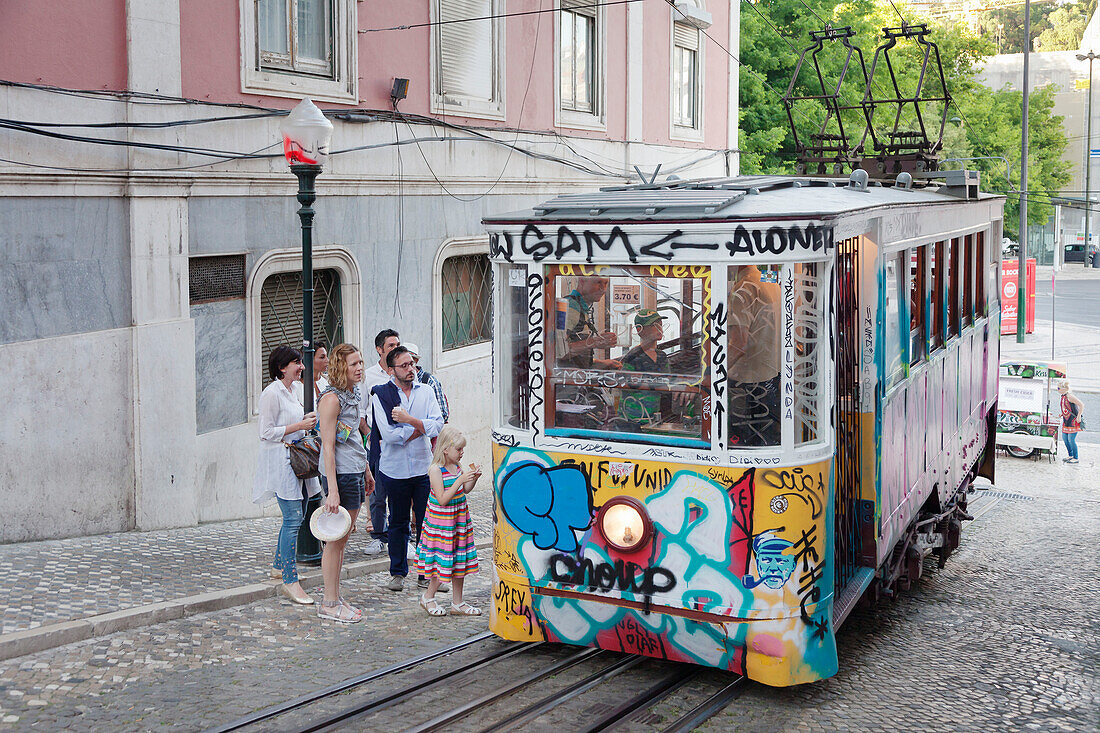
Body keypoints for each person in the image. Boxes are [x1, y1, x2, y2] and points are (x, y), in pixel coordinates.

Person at [371, 346, 445, 592]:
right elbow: (389, 435)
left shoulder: (426, 391)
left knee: (427, 522)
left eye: (412, 364)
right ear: (392, 370)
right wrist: (420, 429)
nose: (411, 369)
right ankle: (398, 572)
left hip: (424, 467)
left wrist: (411, 422)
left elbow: (438, 424)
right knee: (399, 522)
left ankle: (426, 575)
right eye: (404, 366)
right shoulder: (381, 395)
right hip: (395, 469)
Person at [252, 345, 320, 606]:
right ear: (282, 367)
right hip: (281, 461)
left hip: (298, 460)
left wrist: (306, 421)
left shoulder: (294, 391)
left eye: (300, 362)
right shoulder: (272, 393)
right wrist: (299, 425)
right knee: (293, 519)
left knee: (297, 515)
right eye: (296, 362)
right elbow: (266, 432)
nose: (301, 366)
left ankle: (279, 566)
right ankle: (290, 580)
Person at [316, 343, 376, 623]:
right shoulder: (331, 400)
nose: (360, 368)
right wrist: (333, 491)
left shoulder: (352, 394)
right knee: (335, 540)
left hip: (353, 470)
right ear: (341, 367)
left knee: (344, 538)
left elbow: (351, 439)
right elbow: (328, 447)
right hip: (338, 475)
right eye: (353, 364)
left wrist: (365, 470)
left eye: (361, 362)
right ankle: (329, 602)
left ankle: (336, 597)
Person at [416, 426, 481, 616]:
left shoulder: (457, 467)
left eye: (462, 450)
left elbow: (465, 490)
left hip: (459, 521)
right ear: (445, 449)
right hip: (442, 525)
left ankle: (457, 603)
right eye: (459, 450)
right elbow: (442, 499)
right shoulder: (435, 470)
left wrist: (473, 479)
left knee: (459, 561)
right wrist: (460, 481)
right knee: (442, 562)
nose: (462, 453)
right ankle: (428, 597)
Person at [727, 265, 782, 447]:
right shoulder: (771, 279)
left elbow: (738, 344)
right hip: (772, 377)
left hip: (747, 384)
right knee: (767, 443)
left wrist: (712, 374)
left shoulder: (743, 287)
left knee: (743, 447)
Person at [361, 329, 401, 555]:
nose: (395, 349)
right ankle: (378, 535)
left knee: (399, 493)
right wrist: (369, 435)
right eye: (391, 346)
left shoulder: (402, 372)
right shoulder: (369, 376)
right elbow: (361, 413)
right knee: (376, 494)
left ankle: (400, 537)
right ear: (379, 349)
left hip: (398, 443)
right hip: (375, 444)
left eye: (397, 344)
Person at [556, 276, 621, 370]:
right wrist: (596, 342)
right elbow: (559, 352)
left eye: (606, 283)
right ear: (582, 281)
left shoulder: (581, 307)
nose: (603, 289)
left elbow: (576, 359)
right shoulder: (571, 307)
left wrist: (603, 363)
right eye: (598, 282)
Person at [403, 342, 450, 424]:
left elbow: (442, 415)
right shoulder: (395, 381)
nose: (407, 367)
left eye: (409, 363)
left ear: (416, 361)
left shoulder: (430, 382)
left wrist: (420, 424)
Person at [1058, 380, 1085, 464]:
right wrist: (1062, 414)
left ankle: (1076, 457)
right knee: (1065, 439)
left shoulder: (1070, 396)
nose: (1057, 389)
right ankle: (1070, 455)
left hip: (1073, 421)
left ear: (1063, 389)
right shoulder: (1063, 396)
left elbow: (1081, 404)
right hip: (1066, 420)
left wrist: (1079, 415)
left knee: (1071, 439)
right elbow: (1067, 407)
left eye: (1058, 388)